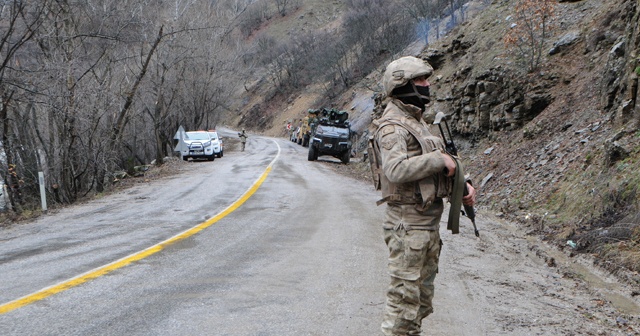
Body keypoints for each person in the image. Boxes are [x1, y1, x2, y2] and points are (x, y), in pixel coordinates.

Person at [374, 56, 476, 335]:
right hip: (408, 227)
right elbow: (395, 170)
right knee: (402, 303)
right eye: (421, 80)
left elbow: (441, 161)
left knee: (419, 303)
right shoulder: (393, 126)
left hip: (426, 225)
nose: (427, 85)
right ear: (403, 84)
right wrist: (439, 161)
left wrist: (463, 183)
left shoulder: (417, 121)